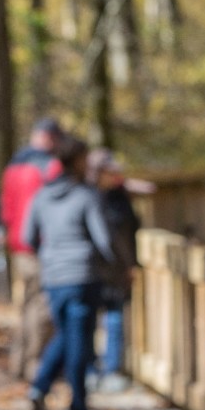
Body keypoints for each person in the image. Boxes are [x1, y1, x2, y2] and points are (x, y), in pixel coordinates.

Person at [24, 135, 116, 410]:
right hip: (82, 276)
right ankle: (77, 405)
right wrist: (116, 265)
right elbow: (103, 239)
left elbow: (28, 236)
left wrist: (50, 257)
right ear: (76, 161)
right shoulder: (86, 196)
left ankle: (40, 389)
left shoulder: (42, 196)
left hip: (54, 278)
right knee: (78, 339)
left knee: (67, 335)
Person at [1, 117, 64, 380]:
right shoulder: (49, 167)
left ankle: (18, 362)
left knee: (26, 305)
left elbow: (6, 209)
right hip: (39, 246)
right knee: (41, 307)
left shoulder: (13, 167)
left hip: (17, 246)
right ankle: (34, 365)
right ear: (50, 138)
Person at [85, 148, 146, 394]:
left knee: (114, 320)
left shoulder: (120, 198)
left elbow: (129, 233)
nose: (114, 176)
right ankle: (89, 370)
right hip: (91, 270)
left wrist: (130, 263)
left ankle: (111, 370)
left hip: (117, 271)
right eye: (109, 171)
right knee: (87, 321)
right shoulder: (87, 197)